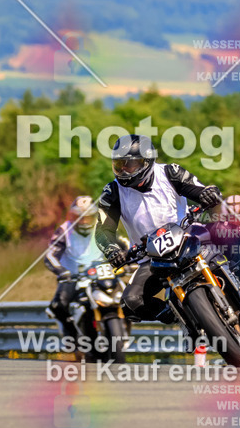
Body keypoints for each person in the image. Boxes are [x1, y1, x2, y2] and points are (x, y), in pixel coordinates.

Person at [95, 135, 223, 322]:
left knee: (228, 243)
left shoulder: (170, 172)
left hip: (187, 239)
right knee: (130, 302)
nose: (123, 171)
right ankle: (183, 317)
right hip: (152, 258)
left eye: (129, 165)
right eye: (119, 165)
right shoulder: (112, 192)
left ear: (146, 162)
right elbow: (102, 231)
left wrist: (207, 193)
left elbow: (198, 189)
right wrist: (112, 250)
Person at [44, 195, 104, 341]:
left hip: (101, 274)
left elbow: (122, 244)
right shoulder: (64, 230)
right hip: (73, 278)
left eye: (88, 217)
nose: (84, 221)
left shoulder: (103, 227)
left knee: (127, 294)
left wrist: (128, 259)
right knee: (58, 306)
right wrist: (62, 271)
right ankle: (71, 335)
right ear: (73, 216)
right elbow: (50, 255)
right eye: (80, 217)